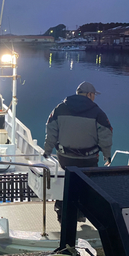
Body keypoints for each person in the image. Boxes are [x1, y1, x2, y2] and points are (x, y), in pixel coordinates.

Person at [43, 81, 113, 222]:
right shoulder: (97, 112)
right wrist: (107, 155)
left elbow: (51, 131)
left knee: (67, 181)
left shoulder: (60, 108)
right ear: (89, 94)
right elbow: (105, 135)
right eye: (93, 95)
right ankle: (82, 213)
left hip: (65, 157)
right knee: (87, 184)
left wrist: (47, 151)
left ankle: (62, 210)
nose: (94, 98)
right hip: (89, 159)